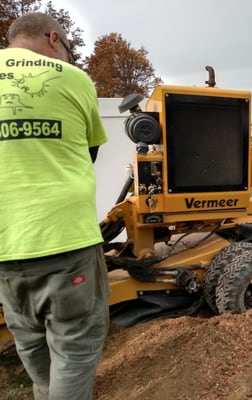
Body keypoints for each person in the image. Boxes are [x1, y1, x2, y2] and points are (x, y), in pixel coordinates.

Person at [0, 12, 109, 400]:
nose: (66, 55)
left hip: (5, 246)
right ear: (53, 39)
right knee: (75, 345)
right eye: (67, 48)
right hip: (64, 239)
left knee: (29, 338)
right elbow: (89, 150)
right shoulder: (74, 79)